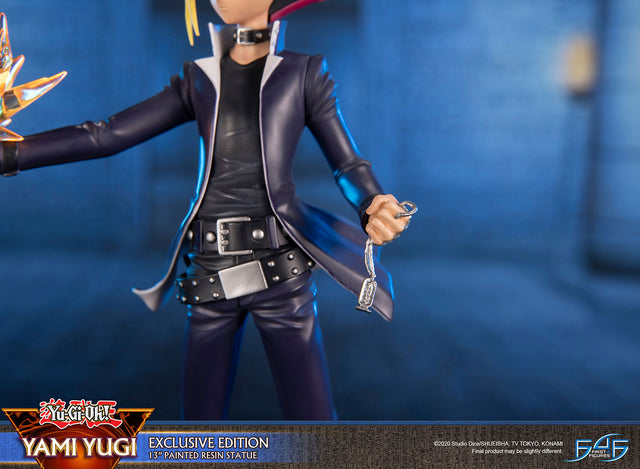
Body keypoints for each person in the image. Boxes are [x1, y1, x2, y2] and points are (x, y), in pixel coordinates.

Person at [0, 0, 411, 420]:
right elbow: (108, 134)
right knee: (198, 429)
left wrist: (372, 201)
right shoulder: (200, 77)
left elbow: (347, 163)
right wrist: (12, 154)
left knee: (314, 421)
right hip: (209, 274)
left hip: (281, 273)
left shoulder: (303, 73)